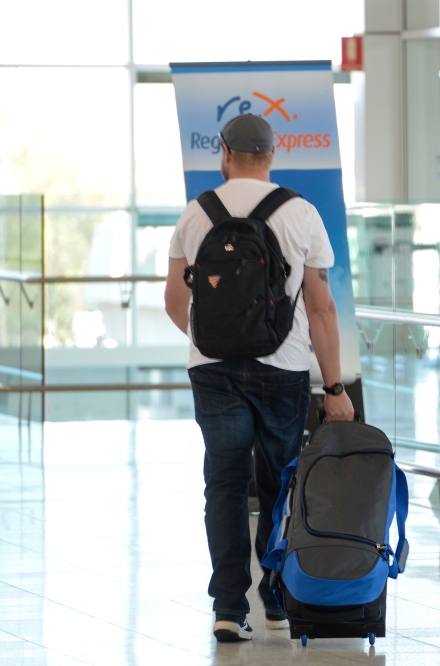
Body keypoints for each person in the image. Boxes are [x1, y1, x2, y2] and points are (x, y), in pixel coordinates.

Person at [164, 113, 354, 643]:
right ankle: (275, 598)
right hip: (284, 370)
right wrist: (334, 388)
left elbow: (175, 302)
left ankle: (228, 607)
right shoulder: (301, 214)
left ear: (224, 153)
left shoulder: (196, 214)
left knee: (223, 485)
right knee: (277, 485)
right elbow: (321, 309)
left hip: (214, 373)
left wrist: (210, 341)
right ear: (273, 155)